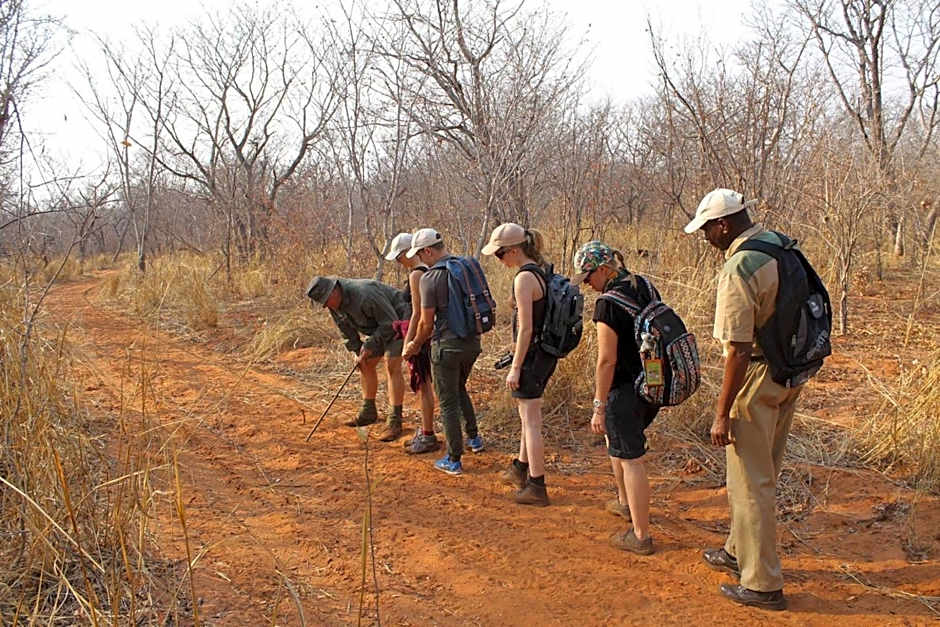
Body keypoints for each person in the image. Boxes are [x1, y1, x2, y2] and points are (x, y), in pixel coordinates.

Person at [684, 187, 801, 611]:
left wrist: (721, 413)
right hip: (788, 371)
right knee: (759, 471)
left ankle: (763, 584)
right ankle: (738, 552)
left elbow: (735, 349)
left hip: (754, 376)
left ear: (724, 224)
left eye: (707, 229)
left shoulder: (739, 266)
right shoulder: (780, 245)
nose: (705, 237)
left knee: (752, 484)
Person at [573, 240, 660, 555]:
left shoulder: (607, 303)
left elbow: (606, 360)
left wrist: (598, 405)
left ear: (605, 270)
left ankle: (640, 535)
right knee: (620, 444)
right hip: (651, 383)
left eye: (589, 277)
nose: (588, 285)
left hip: (624, 388)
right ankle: (625, 503)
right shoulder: (643, 285)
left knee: (631, 457)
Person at [482, 223, 557, 506]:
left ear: (513, 250)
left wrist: (515, 366)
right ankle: (521, 468)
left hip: (531, 357)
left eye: (500, 255)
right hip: (542, 355)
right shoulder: (540, 271)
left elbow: (525, 329)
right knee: (528, 417)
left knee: (531, 422)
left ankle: (537, 485)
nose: (499, 260)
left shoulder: (524, 279)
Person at [402, 228, 485, 476]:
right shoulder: (466, 265)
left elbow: (426, 323)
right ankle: (474, 438)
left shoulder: (430, 278)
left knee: (447, 401)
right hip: (473, 343)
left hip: (447, 346)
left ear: (428, 251)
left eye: (420, 254)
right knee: (459, 388)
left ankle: (453, 459)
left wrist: (414, 345)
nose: (419, 259)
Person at [306, 275, 410, 439]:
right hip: (380, 327)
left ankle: (394, 420)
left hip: (399, 321)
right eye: (324, 304)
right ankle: (368, 411)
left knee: (391, 364)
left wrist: (369, 345)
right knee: (365, 363)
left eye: (327, 300)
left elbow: (391, 323)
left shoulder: (364, 293)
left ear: (335, 290)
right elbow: (346, 331)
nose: (328, 306)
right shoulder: (334, 306)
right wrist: (358, 351)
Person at [385, 232, 440, 454]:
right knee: (428, 384)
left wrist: (409, 343)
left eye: (399, 257)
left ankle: (428, 434)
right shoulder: (431, 269)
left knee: (424, 385)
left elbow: (418, 313)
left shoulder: (417, 274)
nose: (400, 262)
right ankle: (428, 431)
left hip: (420, 335)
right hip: (430, 334)